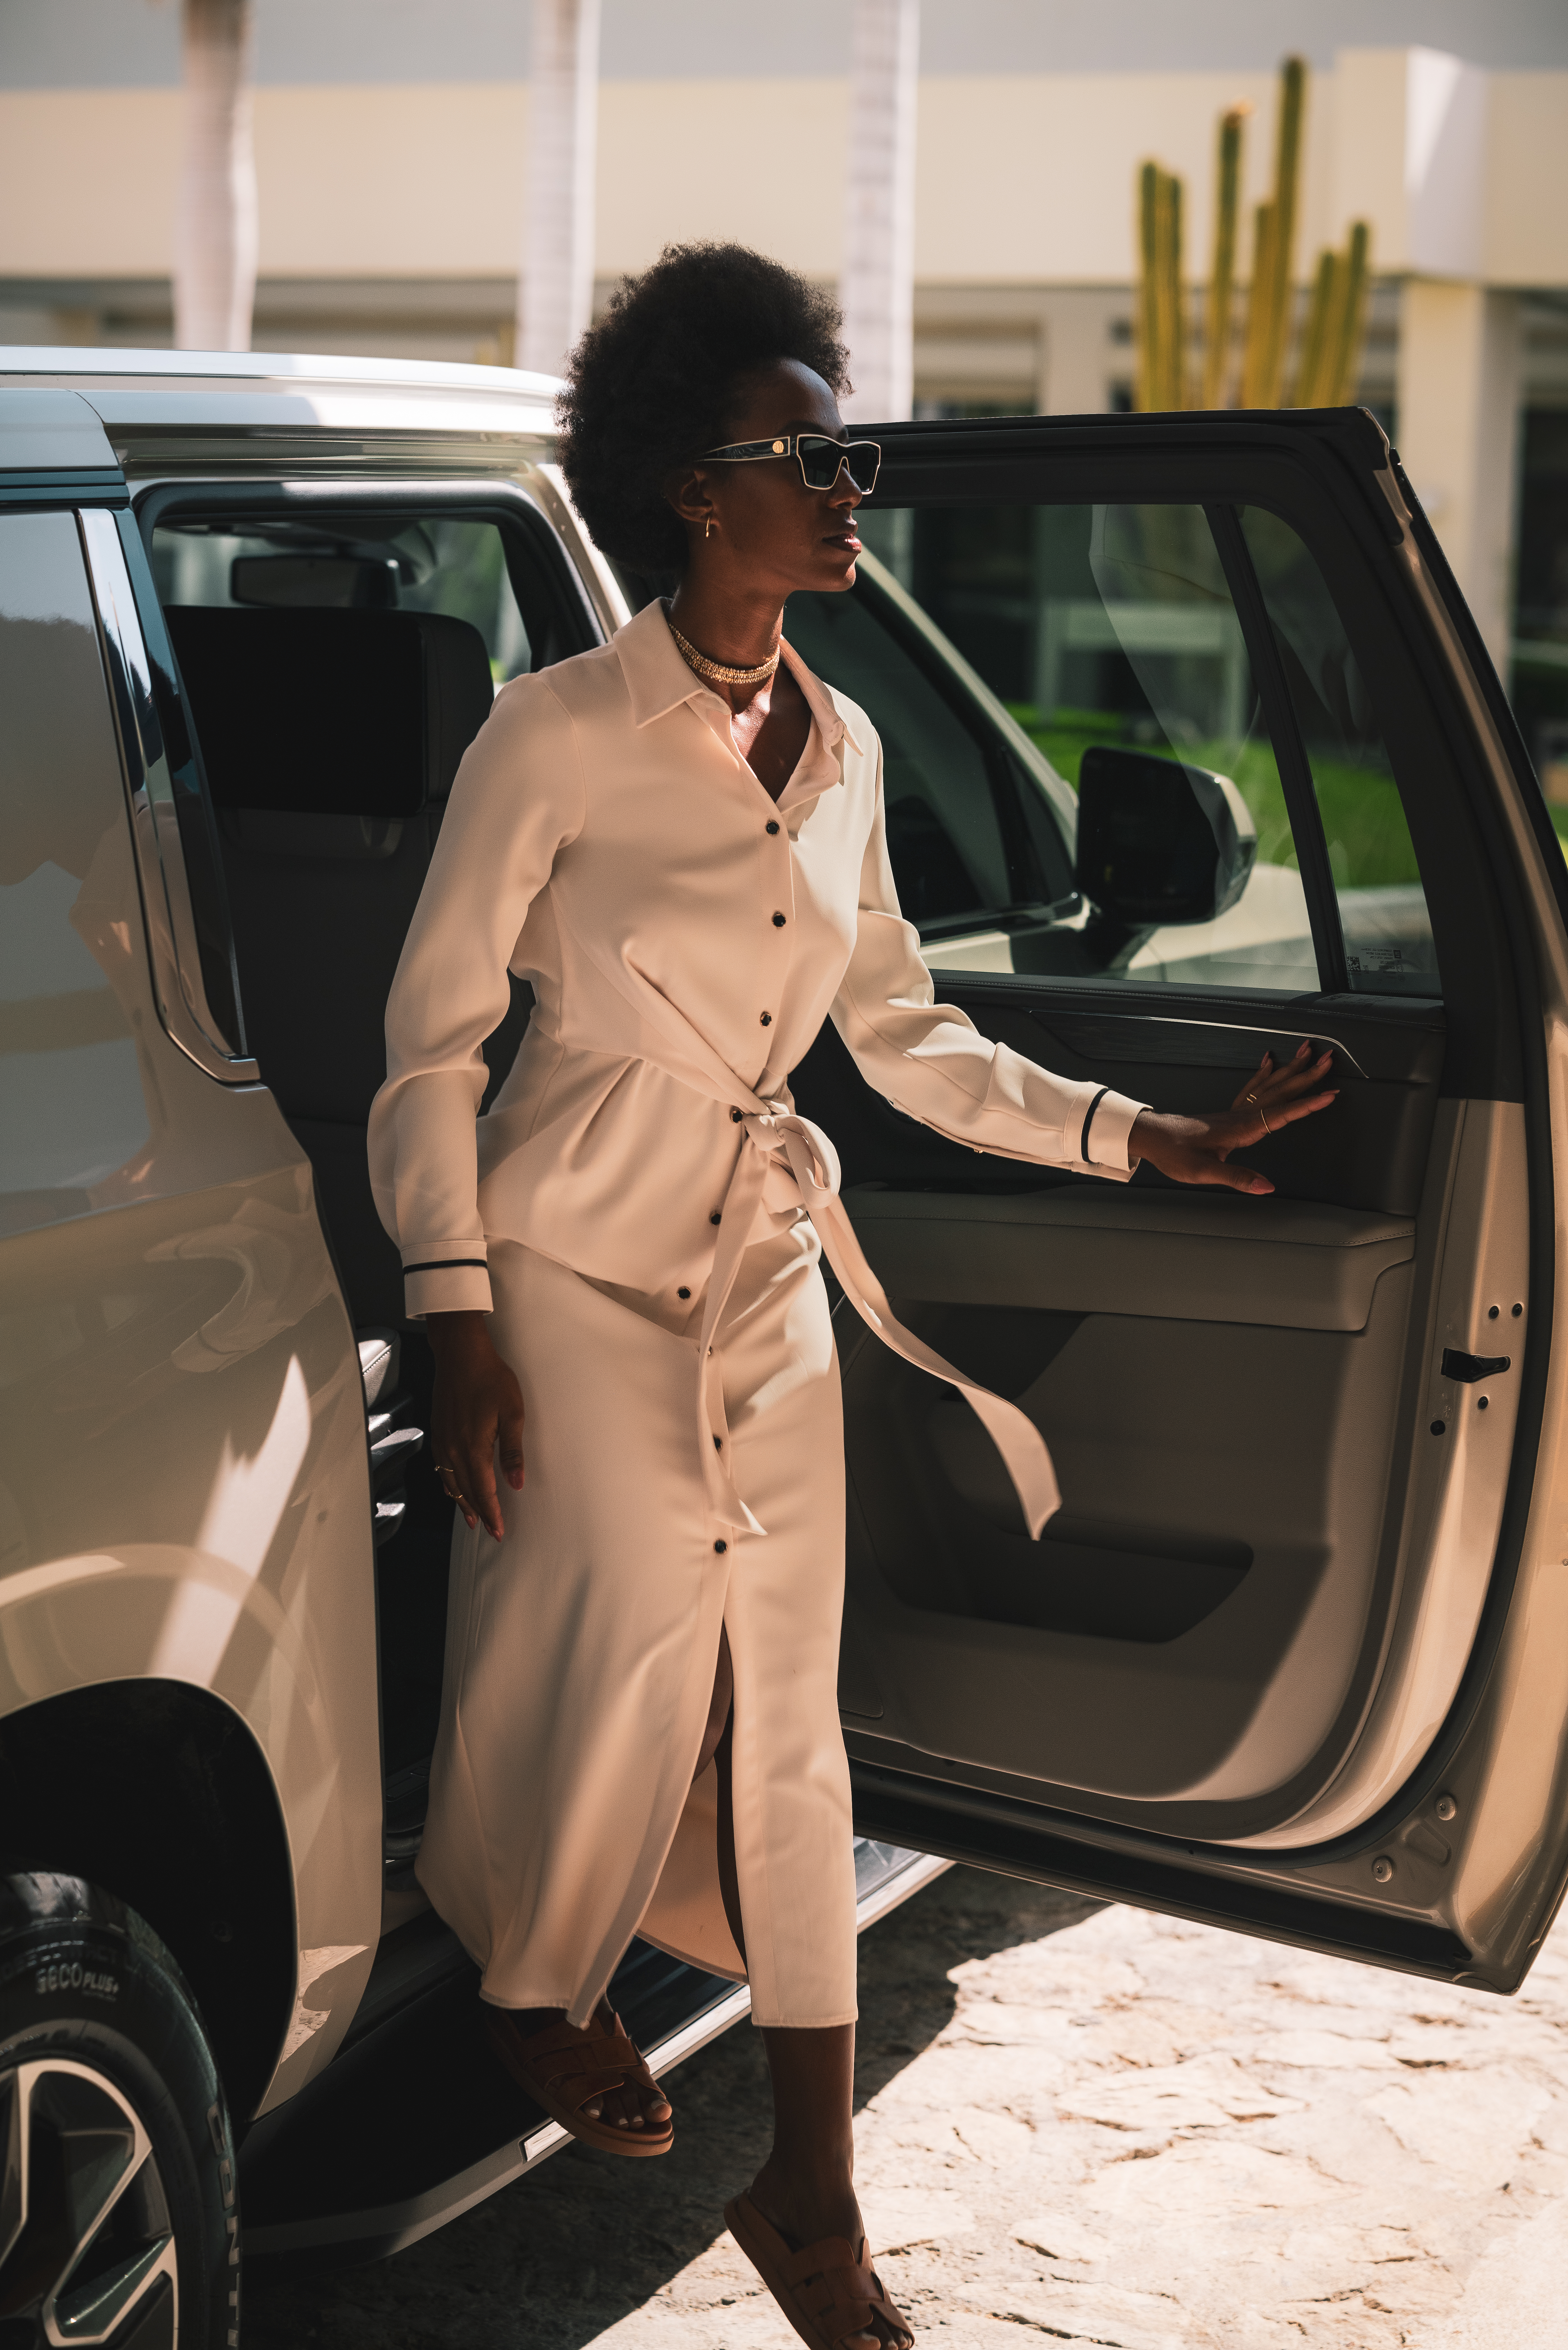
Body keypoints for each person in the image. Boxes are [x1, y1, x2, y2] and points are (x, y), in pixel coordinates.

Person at [368, 240, 1335, 2350]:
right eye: (807, 457)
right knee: (610, 1638)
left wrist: (1135, 1138)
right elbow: (430, 1044)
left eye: (852, 453)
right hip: (564, 1268)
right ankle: (534, 1981)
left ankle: (813, 2200)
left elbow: (896, 1034)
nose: (847, 489)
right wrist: (456, 1309)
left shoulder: (854, 744)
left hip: (764, 1273)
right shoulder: (553, 737)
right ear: (693, 490)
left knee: (797, 1730)